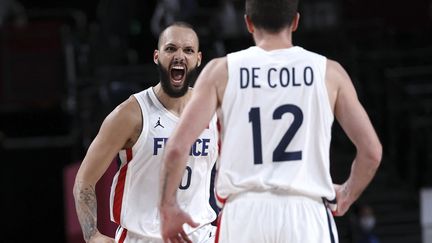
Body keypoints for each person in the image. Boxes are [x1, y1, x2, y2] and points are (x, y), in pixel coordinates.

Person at [158, 0, 382, 242]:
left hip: (243, 213)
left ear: (248, 23)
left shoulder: (221, 71)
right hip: (306, 213)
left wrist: (168, 207)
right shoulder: (329, 72)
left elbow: (177, 148)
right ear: (295, 21)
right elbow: (371, 152)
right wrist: (347, 194)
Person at [73, 22, 218, 243]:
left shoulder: (213, 110)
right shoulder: (131, 114)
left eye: (188, 50)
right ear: (157, 57)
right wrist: (92, 234)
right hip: (144, 237)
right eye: (171, 49)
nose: (179, 55)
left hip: (201, 236)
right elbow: (84, 180)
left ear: (198, 59)